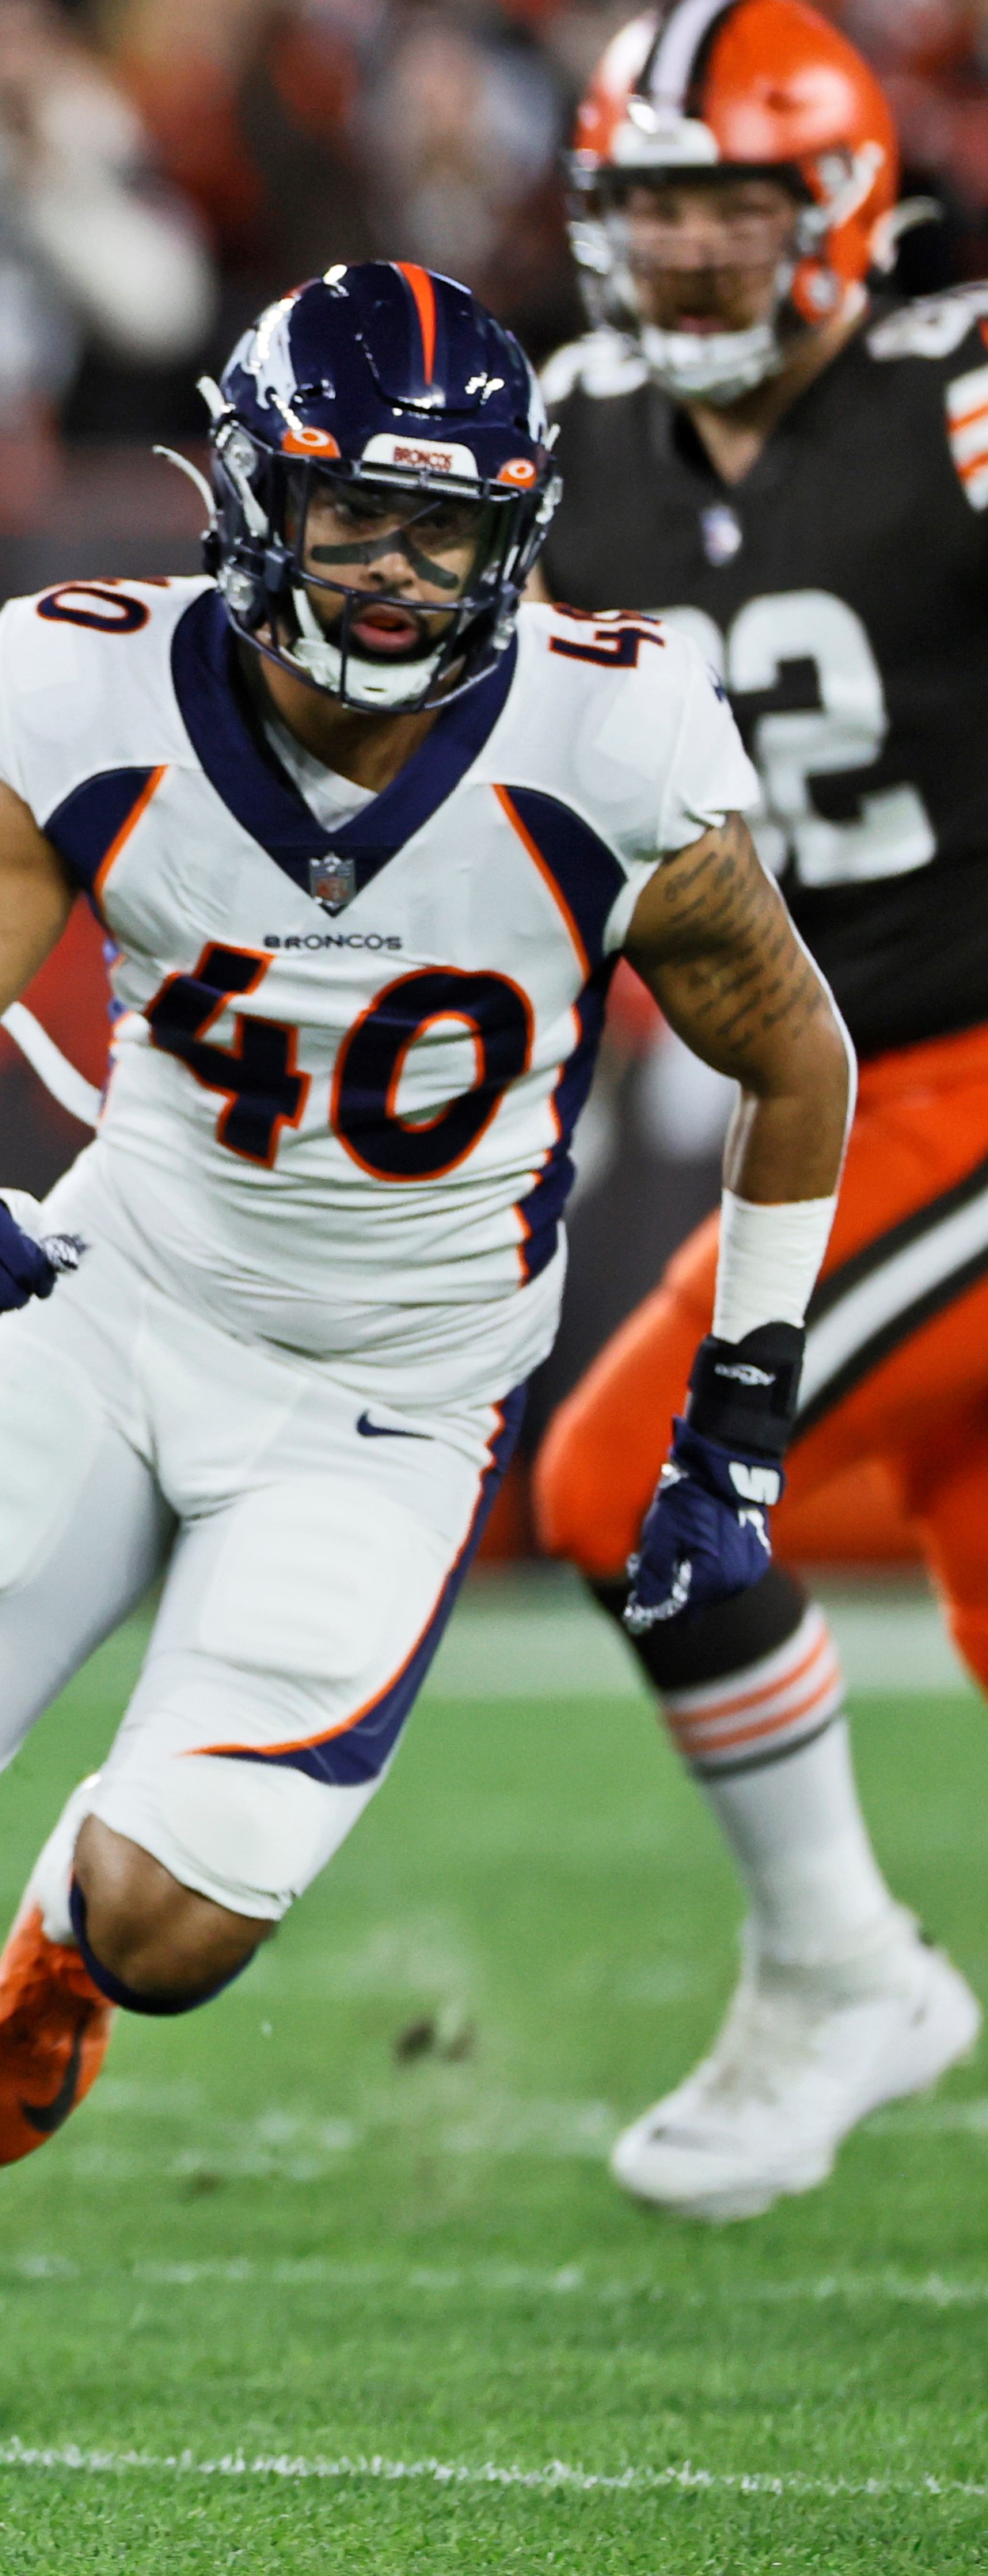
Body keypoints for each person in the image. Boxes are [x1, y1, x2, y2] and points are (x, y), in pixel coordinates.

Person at [0, 261, 844, 2456]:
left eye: (447, 527)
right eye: (354, 516)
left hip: (388, 1400)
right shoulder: (91, 689)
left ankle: (60, 1933)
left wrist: (741, 1406)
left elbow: (795, 1060)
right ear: (245, 499)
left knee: (168, 1926)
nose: (401, 571)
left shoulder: (605, 744)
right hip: (118, 1308)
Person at [528, 0, 986, 2223]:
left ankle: (832, 1969)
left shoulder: (962, 397)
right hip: (815, 1092)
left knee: (632, 1479)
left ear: (842, 206)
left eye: (735, 198)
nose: (693, 249)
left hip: (967, 1070)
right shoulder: (564, 442)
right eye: (653, 200)